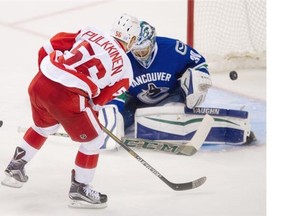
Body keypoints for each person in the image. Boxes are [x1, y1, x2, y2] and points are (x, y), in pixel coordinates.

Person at [1, 13, 140, 209]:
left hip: (40, 82)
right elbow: (96, 103)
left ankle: (15, 167)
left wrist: (47, 79)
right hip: (67, 96)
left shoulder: (91, 31)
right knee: (94, 139)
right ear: (132, 40)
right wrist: (89, 120)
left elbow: (48, 47)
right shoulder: (126, 71)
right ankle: (80, 189)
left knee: (43, 127)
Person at [100, 20, 255, 149]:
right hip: (134, 101)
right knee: (117, 119)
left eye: (144, 50)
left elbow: (198, 63)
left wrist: (199, 80)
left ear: (152, 43)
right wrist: (113, 113)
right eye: (136, 51)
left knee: (175, 116)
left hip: (171, 97)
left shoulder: (172, 48)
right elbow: (115, 88)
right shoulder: (123, 58)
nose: (140, 55)